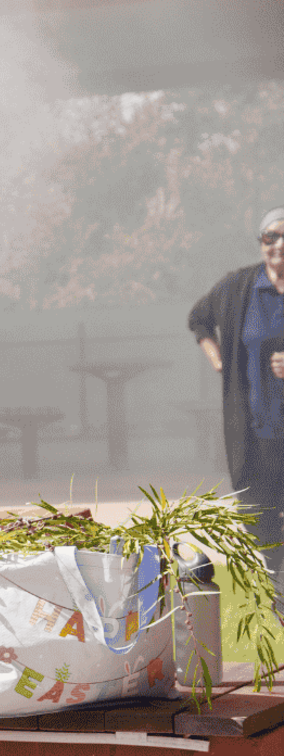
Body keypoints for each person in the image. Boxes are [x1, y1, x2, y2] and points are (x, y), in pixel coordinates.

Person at [189, 206, 284, 586]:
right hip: (257, 431)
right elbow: (199, 320)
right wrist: (219, 361)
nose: (278, 245)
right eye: (270, 237)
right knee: (259, 520)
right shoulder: (238, 287)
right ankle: (280, 592)